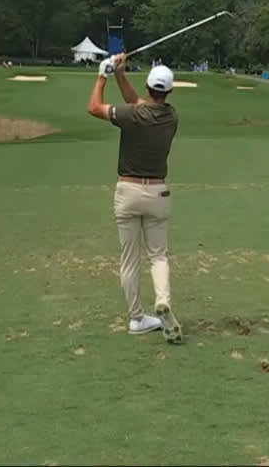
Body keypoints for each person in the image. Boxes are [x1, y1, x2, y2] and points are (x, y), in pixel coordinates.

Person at [86, 50, 184, 343]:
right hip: (157, 193)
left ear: (148, 87)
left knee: (129, 260)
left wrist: (102, 76)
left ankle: (137, 318)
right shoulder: (171, 116)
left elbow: (94, 107)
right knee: (158, 256)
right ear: (168, 92)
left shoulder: (132, 115)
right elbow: (136, 103)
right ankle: (163, 300)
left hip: (127, 192)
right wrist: (119, 72)